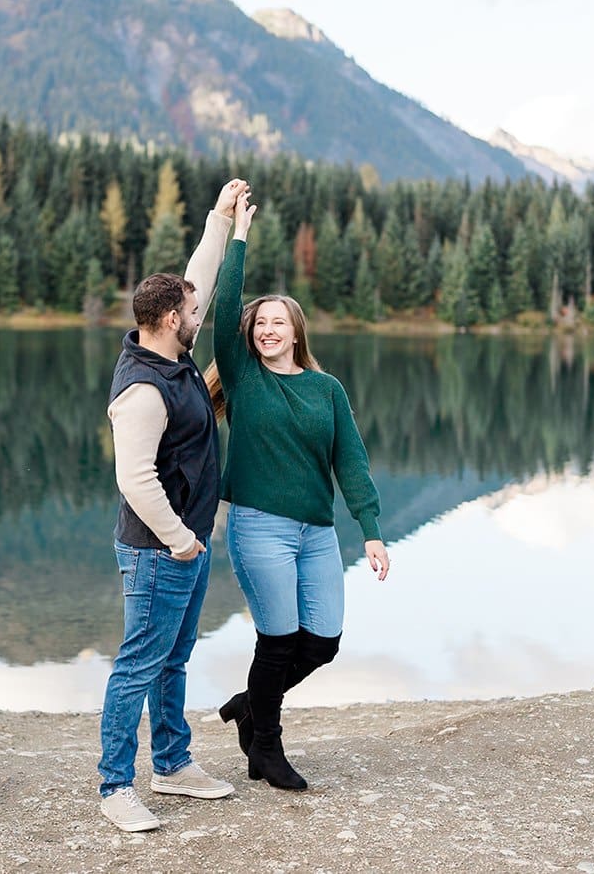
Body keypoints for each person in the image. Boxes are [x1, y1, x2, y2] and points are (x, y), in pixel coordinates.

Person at [205, 190, 390, 791]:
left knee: (324, 642)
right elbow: (225, 301)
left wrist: (372, 531)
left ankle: (248, 703)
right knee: (278, 639)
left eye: (277, 323)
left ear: (295, 331)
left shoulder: (327, 389)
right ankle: (266, 747)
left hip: (317, 533)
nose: (266, 330)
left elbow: (352, 463)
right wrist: (237, 236)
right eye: (260, 324)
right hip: (259, 525)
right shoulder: (243, 377)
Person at [97, 177, 250, 832]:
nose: (199, 312)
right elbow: (134, 477)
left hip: (185, 543)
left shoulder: (170, 351)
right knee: (139, 660)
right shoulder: (142, 389)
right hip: (160, 547)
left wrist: (219, 220)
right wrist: (180, 539)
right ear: (170, 320)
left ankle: (172, 763)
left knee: (174, 656)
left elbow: (196, 279)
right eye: (191, 311)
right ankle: (114, 786)